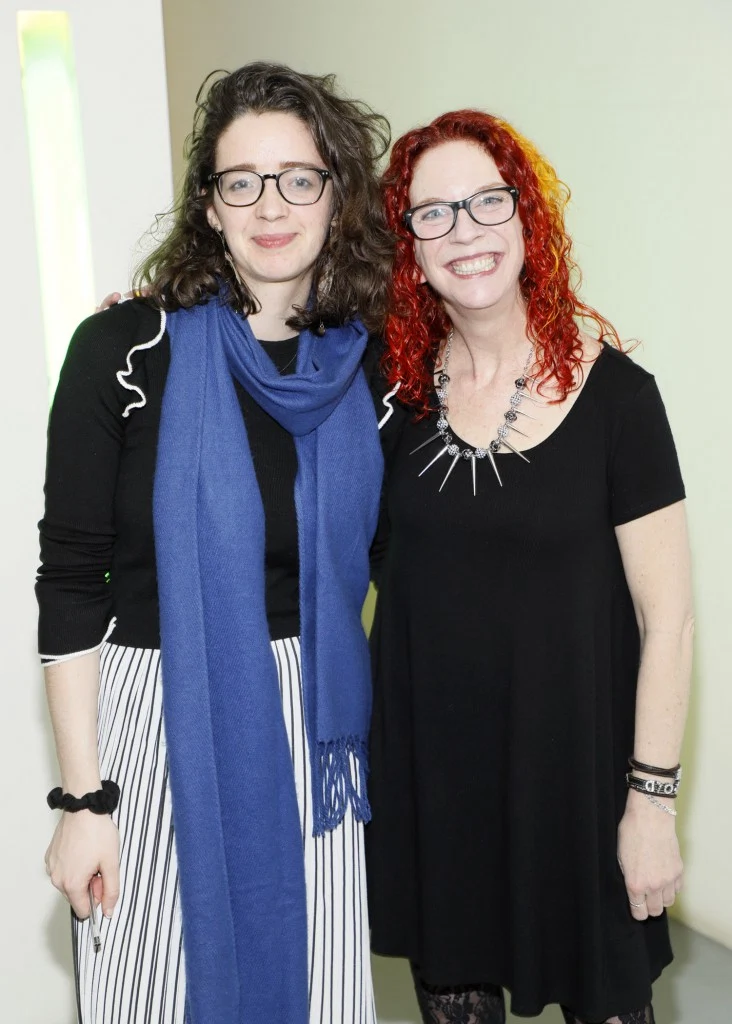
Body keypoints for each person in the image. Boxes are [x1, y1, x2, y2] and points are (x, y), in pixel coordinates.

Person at [37, 61, 393, 1024]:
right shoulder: (124, 350)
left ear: (337, 195)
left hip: (316, 740)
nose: (271, 205)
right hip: (156, 734)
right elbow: (68, 582)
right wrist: (84, 803)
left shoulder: (368, 369)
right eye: (243, 181)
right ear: (209, 205)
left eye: (299, 178)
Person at [366, 110, 692, 1024]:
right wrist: (158, 314)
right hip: (438, 789)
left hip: (578, 790)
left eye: (487, 201)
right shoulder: (386, 394)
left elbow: (668, 622)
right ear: (409, 247)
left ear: (526, 216)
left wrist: (651, 806)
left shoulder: (620, 399)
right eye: (433, 213)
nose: (464, 230)